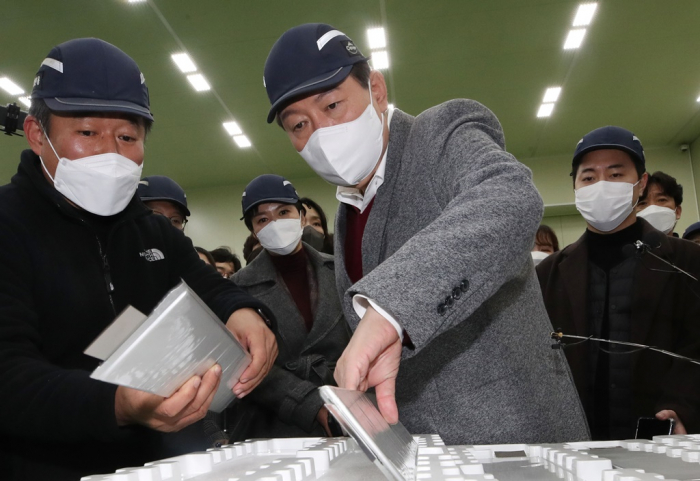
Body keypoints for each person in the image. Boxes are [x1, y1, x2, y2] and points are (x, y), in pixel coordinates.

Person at [262, 23, 589, 445]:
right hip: (418, 450)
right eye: (299, 125)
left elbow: (509, 197)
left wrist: (390, 311)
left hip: (515, 437)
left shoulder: (440, 134)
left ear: (376, 90)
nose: (320, 134)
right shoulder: (346, 213)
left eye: (332, 105)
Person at [0, 38, 277, 481]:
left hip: (166, 463)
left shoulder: (150, 230)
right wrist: (118, 403)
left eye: (127, 136)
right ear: (38, 135)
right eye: (87, 133)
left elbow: (210, 287)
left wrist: (244, 311)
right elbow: (9, 376)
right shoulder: (8, 224)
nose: (111, 151)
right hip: (47, 464)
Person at [537, 126, 700, 440]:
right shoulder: (549, 274)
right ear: (575, 187)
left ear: (640, 183)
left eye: (615, 175)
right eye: (588, 177)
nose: (600, 185)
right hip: (576, 445)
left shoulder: (687, 261)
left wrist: (684, 408)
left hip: (664, 438)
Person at [228, 174, 350, 439]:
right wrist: (311, 404)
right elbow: (246, 364)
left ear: (302, 216)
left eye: (283, 212)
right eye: (263, 219)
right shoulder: (237, 289)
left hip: (346, 407)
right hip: (276, 423)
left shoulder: (340, 269)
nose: (275, 223)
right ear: (253, 230)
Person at [635, 171, 683, 236]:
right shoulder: (620, 246)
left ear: (677, 211)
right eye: (643, 203)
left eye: (661, 200)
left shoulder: (689, 246)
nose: (652, 208)